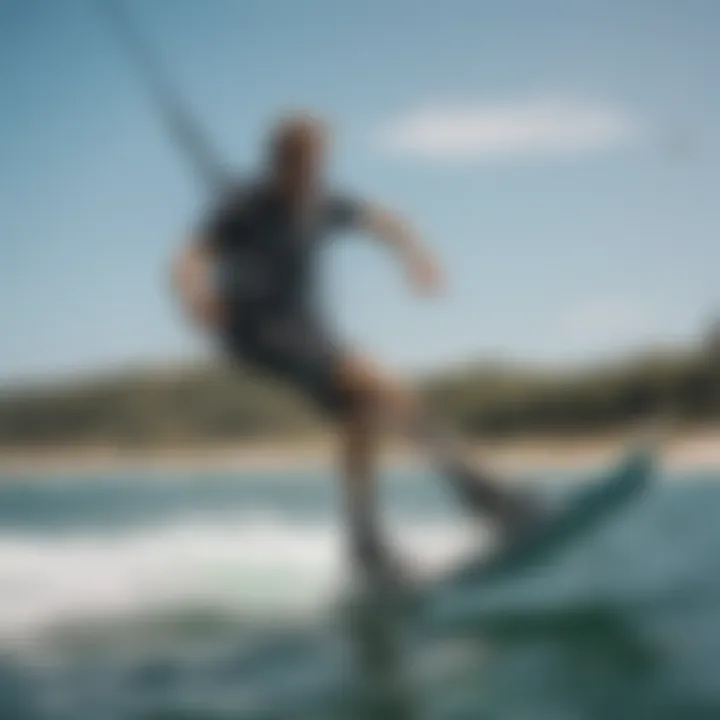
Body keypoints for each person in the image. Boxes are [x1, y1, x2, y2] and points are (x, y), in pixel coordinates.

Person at [172, 112, 535, 586]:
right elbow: (188, 258)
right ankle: (481, 495)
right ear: (278, 162)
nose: (311, 174)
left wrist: (417, 255)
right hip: (258, 334)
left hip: (309, 332)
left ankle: (364, 543)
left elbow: (385, 221)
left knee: (361, 408)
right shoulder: (244, 208)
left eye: (319, 163)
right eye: (301, 163)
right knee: (376, 382)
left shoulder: (323, 204)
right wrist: (197, 296)